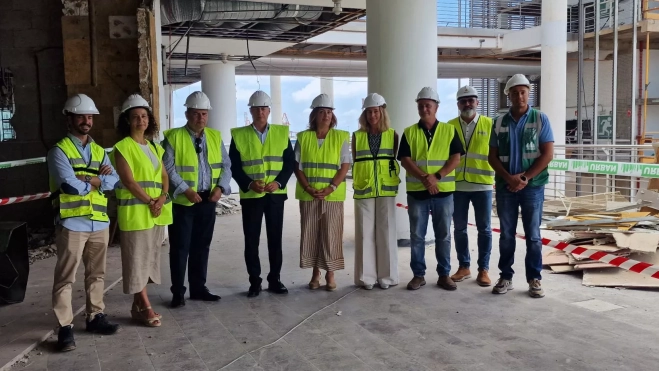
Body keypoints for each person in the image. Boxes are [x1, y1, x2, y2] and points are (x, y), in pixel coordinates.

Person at [47, 94, 120, 352]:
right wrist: (97, 179)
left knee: (97, 274)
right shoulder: (59, 150)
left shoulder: (100, 151)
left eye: (89, 117)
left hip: (98, 221)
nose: (86, 121)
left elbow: (114, 182)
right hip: (71, 223)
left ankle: (95, 316)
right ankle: (65, 328)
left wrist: (92, 180)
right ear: (70, 119)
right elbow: (69, 185)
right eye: (81, 117)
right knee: (66, 277)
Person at [162, 91, 232, 308]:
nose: (200, 118)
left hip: (208, 200)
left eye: (204, 113)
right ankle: (178, 292)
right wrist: (185, 190)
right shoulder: (173, 137)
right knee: (180, 248)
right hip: (184, 203)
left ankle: (198, 288)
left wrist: (221, 187)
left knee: (202, 246)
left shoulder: (214, 136)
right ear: (187, 114)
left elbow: (226, 165)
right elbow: (168, 168)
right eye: (195, 113)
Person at [488, 74, 554, 298]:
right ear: (508, 95)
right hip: (507, 187)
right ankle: (506, 276)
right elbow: (492, 157)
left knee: (533, 236)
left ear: (529, 92)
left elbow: (547, 154)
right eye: (514, 92)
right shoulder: (498, 122)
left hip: (532, 187)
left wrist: (524, 179)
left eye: (523, 91)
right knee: (506, 235)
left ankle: (534, 278)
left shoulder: (540, 119)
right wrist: (509, 179)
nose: (519, 95)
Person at [111, 94, 172, 326]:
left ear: (150, 120)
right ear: (127, 120)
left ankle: (138, 306)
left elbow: (164, 176)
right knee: (136, 259)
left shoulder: (155, 147)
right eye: (135, 117)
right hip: (137, 213)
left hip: (156, 213)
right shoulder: (123, 147)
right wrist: (151, 201)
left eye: (144, 116)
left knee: (148, 259)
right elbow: (129, 181)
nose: (140, 120)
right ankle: (144, 306)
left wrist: (163, 197)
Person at [397, 87, 464, 291]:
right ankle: (418, 275)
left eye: (428, 105)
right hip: (418, 193)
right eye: (421, 105)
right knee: (417, 236)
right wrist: (425, 179)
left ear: (436, 107)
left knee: (443, 235)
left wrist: (436, 177)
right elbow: (405, 160)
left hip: (443, 192)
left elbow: (456, 158)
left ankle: (444, 274)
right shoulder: (409, 132)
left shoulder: (449, 130)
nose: (424, 108)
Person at [229, 90, 295, 298]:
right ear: (250, 110)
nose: (260, 112)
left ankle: (275, 279)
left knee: (275, 240)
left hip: (275, 196)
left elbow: (289, 163)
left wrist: (278, 182)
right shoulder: (239, 135)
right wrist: (249, 184)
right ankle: (254, 282)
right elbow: (235, 166)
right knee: (252, 241)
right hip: (251, 197)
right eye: (256, 108)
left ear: (269, 110)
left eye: (264, 108)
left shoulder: (281, 133)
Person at [294, 93, 350, 291]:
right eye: (321, 112)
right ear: (314, 115)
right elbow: (298, 166)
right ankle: (315, 273)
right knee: (311, 234)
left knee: (331, 234)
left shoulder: (341, 136)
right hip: (309, 194)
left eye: (329, 112)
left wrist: (331, 187)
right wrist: (308, 188)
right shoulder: (303, 137)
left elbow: (344, 165)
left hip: (332, 195)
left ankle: (330, 274)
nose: (326, 115)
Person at [352, 93, 400, 290]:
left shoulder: (393, 135)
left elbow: (394, 159)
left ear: (382, 112)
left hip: (386, 190)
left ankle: (387, 277)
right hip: (364, 188)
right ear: (365, 114)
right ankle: (366, 278)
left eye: (376, 111)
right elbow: (356, 161)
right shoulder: (357, 136)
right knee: (364, 233)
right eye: (369, 112)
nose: (372, 115)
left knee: (386, 231)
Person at [448, 86, 495, 287]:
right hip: (457, 185)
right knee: (459, 229)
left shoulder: (490, 124)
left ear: (477, 102)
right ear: (458, 104)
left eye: (471, 100)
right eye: (463, 101)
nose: (467, 103)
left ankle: (483, 269)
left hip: (483, 186)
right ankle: (464, 266)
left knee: (485, 229)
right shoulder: (449, 126)